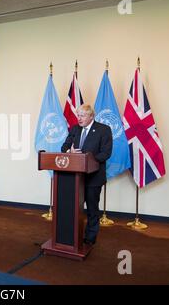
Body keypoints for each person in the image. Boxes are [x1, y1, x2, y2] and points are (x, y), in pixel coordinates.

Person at [61, 104, 112, 246]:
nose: (79, 118)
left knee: (91, 209)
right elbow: (64, 147)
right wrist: (68, 152)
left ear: (91, 116)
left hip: (93, 177)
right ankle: (70, 236)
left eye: (82, 115)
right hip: (74, 177)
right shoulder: (75, 129)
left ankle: (90, 238)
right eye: (78, 115)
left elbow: (106, 153)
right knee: (73, 208)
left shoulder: (104, 130)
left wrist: (88, 159)